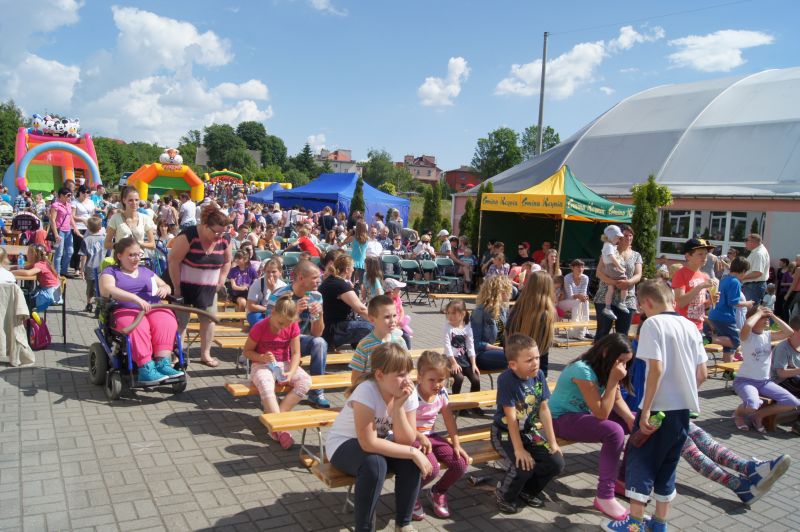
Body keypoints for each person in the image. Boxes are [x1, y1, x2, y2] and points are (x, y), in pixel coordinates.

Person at [603, 280, 707, 532]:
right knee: (667, 466)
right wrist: (684, 393)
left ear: (647, 302)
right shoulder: (691, 327)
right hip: (682, 411)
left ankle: (634, 524)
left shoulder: (653, 324)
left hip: (657, 408)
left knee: (641, 462)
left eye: (641, 306)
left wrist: (646, 409)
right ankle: (659, 523)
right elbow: (702, 373)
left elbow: (656, 369)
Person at [325, 343, 429, 532]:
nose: (407, 380)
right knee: (376, 464)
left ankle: (404, 524)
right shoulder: (366, 391)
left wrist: (398, 407)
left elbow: (406, 440)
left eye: (408, 373)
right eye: (400, 374)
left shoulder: (407, 391)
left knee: (410, 462)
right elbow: (368, 443)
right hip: (343, 444)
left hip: (377, 443)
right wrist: (413, 452)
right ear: (380, 375)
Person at [550, 334, 635, 520]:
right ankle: (605, 496)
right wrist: (613, 381)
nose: (623, 367)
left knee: (639, 422)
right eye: (621, 361)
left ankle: (622, 479)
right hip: (559, 419)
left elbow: (616, 399)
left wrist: (630, 418)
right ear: (606, 352)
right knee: (614, 432)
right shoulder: (582, 370)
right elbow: (602, 413)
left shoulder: (606, 367)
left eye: (626, 363)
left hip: (581, 415)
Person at [492, 333, 565, 514]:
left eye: (537, 358)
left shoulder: (538, 375)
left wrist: (553, 442)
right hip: (504, 432)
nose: (535, 363)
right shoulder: (506, 380)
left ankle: (528, 491)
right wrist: (519, 449)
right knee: (522, 466)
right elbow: (511, 418)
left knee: (556, 462)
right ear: (513, 365)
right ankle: (504, 495)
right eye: (529, 360)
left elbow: (544, 409)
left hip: (528, 431)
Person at [98, 237, 183, 384]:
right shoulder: (111, 271)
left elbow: (166, 286)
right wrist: (134, 298)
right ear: (119, 256)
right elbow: (107, 289)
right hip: (125, 309)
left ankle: (163, 363)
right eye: (131, 255)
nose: (136, 258)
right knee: (138, 326)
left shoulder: (145, 271)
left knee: (167, 320)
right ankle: (146, 368)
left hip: (153, 307)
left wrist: (165, 288)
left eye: (138, 254)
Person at [243, 294, 311, 449]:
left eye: (287, 324)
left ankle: (277, 416)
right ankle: (281, 429)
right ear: (272, 313)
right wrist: (262, 357)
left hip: (284, 363)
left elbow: (296, 353)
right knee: (266, 384)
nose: (282, 327)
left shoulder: (292, 326)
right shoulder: (260, 327)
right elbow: (247, 352)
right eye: (281, 323)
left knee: (306, 381)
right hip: (261, 364)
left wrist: (291, 372)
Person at [168, 204, 232, 368]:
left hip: (209, 288)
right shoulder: (189, 235)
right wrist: (177, 288)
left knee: (208, 320)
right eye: (216, 232)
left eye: (223, 233)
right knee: (181, 322)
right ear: (205, 226)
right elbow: (174, 261)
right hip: (183, 285)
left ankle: (205, 354)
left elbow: (227, 261)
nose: (219, 236)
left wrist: (221, 280)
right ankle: (177, 355)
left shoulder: (225, 239)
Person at [412, 351, 470, 520]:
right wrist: (420, 437)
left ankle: (438, 491)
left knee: (460, 463)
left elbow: (449, 419)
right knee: (432, 468)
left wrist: (456, 444)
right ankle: (410, 493)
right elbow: (402, 424)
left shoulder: (442, 393)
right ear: (420, 377)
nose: (437, 384)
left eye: (441, 380)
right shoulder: (412, 395)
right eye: (432, 380)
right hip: (412, 437)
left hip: (431, 436)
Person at [264, 260, 329, 408]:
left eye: (319, 277)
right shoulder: (279, 296)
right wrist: (294, 312)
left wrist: (320, 314)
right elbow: (270, 330)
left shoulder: (316, 296)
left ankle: (317, 393)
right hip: (278, 343)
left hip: (299, 342)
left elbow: (317, 333)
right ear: (301, 278)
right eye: (314, 278)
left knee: (320, 343)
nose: (319, 281)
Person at [732, 306, 799, 432]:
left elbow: (789, 332)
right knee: (753, 404)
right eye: (763, 317)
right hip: (745, 381)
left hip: (764, 382)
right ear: (753, 318)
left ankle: (757, 416)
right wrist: (759, 313)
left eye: (767, 317)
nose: (767, 319)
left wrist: (772, 316)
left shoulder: (767, 335)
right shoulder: (746, 336)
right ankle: (738, 415)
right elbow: (747, 325)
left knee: (792, 402)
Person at [594, 225, 642, 342]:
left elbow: (638, 274)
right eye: (625, 235)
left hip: (627, 299)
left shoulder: (636, 255)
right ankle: (599, 354)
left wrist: (628, 282)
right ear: (618, 237)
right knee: (602, 334)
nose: (628, 238)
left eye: (630, 235)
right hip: (605, 297)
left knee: (622, 337)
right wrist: (612, 282)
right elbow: (599, 272)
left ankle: (620, 355)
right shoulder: (609, 249)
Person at [505, 271, 556, 376]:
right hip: (537, 367)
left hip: (515, 361)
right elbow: (545, 347)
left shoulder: (517, 308)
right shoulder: (547, 314)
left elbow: (507, 332)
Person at [319, 254, 373, 350]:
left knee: (364, 322)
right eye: (352, 267)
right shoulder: (340, 285)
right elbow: (361, 309)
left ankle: (359, 348)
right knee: (370, 327)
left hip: (329, 328)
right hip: (332, 330)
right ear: (347, 269)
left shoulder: (332, 281)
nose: (353, 270)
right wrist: (379, 322)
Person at [349, 295, 406, 384]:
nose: (392, 321)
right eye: (387, 317)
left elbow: (405, 370)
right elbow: (355, 379)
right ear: (372, 319)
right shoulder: (365, 345)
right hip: (371, 391)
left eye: (394, 315)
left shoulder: (400, 342)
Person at [709, 257, 753, 363]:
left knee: (728, 347)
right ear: (743, 271)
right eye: (746, 272)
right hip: (725, 316)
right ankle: (709, 338)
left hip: (716, 314)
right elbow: (733, 302)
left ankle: (728, 369)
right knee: (736, 341)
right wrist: (747, 304)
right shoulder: (735, 282)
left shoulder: (725, 278)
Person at [672, 237, 717, 336]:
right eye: (700, 254)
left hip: (699, 326)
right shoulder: (681, 274)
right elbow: (680, 302)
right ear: (688, 256)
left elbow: (700, 305)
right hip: (683, 326)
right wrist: (700, 286)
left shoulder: (704, 276)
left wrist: (710, 301)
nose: (704, 257)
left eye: (706, 254)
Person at [471, 275, 512, 371]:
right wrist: (502, 349)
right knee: (514, 357)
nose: (510, 293)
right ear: (499, 292)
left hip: (501, 351)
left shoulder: (503, 309)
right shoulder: (479, 312)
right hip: (481, 354)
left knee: (526, 352)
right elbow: (476, 344)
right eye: (507, 290)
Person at [104, 186, 156, 253]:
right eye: (130, 200)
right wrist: (121, 246)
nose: (134, 203)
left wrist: (139, 244)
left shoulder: (145, 218)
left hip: (139, 257)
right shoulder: (115, 218)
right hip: (121, 257)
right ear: (124, 200)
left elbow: (153, 245)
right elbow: (106, 244)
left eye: (136, 200)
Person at [12, 244, 61, 313]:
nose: (27, 255)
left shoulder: (39, 265)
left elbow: (28, 273)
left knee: (27, 300)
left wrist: (11, 272)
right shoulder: (42, 262)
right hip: (54, 291)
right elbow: (26, 267)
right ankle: (29, 315)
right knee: (27, 296)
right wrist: (16, 268)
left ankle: (29, 316)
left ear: (34, 255)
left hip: (51, 294)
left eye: (29, 253)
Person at [444, 299, 478, 395]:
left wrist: (473, 364)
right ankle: (456, 401)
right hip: (451, 359)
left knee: (476, 379)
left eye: (453, 313)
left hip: (464, 359)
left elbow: (470, 346)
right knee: (459, 378)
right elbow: (447, 347)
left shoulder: (467, 328)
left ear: (463, 314)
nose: (450, 316)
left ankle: (474, 402)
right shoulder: (447, 327)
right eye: (448, 313)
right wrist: (454, 363)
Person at [600, 225, 630, 320]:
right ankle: (622, 302)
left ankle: (607, 308)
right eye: (617, 238)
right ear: (611, 236)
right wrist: (620, 267)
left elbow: (612, 251)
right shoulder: (609, 246)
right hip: (612, 267)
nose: (618, 240)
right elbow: (612, 258)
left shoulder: (608, 245)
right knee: (625, 283)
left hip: (608, 269)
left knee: (611, 289)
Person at [246, 258, 287, 326]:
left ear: (280, 272)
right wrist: (268, 309)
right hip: (258, 313)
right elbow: (250, 306)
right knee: (262, 322)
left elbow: (284, 306)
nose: (270, 274)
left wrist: (273, 290)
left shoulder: (284, 286)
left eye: (273, 272)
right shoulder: (257, 283)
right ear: (264, 271)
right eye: (268, 272)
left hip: (277, 313)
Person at [78, 216, 105, 313]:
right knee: (100, 288)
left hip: (90, 267)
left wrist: (81, 269)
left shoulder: (86, 240)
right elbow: (108, 254)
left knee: (90, 287)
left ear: (88, 228)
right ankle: (98, 306)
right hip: (102, 267)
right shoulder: (105, 239)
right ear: (100, 227)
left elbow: (83, 256)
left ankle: (89, 304)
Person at [49, 187, 76, 277]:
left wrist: (75, 228)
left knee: (70, 251)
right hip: (60, 230)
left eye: (70, 195)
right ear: (61, 195)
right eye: (68, 195)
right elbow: (52, 220)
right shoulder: (55, 205)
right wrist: (56, 234)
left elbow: (70, 217)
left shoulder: (68, 204)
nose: (70, 197)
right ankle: (57, 273)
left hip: (68, 230)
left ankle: (64, 270)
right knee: (59, 253)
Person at [561, 259, 591, 339]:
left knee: (586, 302)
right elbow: (570, 296)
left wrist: (584, 297)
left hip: (577, 301)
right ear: (572, 268)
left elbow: (583, 293)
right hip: (566, 301)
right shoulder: (567, 277)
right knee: (577, 302)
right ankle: (574, 329)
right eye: (578, 267)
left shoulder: (585, 278)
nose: (580, 269)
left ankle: (585, 329)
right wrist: (579, 296)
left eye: (582, 267)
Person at [70, 185, 96, 275]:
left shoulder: (91, 202)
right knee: (78, 248)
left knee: (88, 248)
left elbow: (93, 214)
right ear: (79, 192)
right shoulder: (74, 202)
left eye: (88, 192)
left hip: (89, 227)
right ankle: (76, 267)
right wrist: (82, 220)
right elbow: (72, 216)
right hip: (78, 227)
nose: (85, 194)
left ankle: (84, 268)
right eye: (83, 192)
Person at [741, 233, 770, 306]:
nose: (745, 243)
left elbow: (757, 273)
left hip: (754, 286)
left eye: (746, 240)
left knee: (750, 309)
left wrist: (741, 277)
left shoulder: (758, 253)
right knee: (750, 309)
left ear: (753, 242)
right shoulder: (757, 252)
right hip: (754, 285)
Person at [384, 278, 412, 347]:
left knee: (406, 337)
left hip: (399, 324)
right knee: (404, 338)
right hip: (390, 327)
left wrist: (400, 321)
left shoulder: (397, 298)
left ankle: (408, 352)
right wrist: (395, 325)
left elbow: (402, 311)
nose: (400, 291)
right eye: (398, 289)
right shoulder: (385, 302)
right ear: (392, 291)